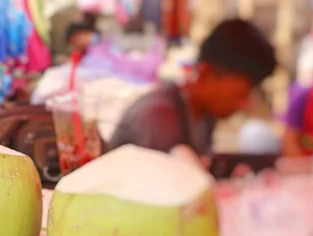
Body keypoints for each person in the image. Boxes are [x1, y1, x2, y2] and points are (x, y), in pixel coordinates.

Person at [106, 19, 277, 169]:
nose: (245, 104)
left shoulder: (204, 115)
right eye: (241, 94)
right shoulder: (157, 117)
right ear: (206, 72)